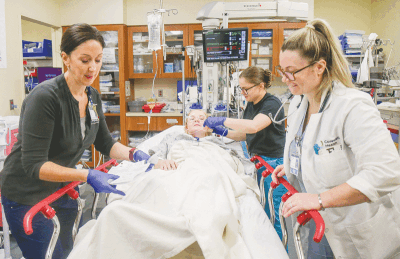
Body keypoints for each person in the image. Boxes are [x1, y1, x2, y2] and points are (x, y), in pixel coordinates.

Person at [67, 108, 288, 259]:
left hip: (208, 170)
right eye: (191, 118)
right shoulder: (175, 139)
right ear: (185, 127)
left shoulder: (219, 143)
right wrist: (160, 162)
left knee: (209, 178)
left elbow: (239, 166)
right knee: (145, 191)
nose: (196, 120)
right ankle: (147, 218)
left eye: (202, 118)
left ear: (211, 126)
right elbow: (155, 158)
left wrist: (224, 163)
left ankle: (198, 224)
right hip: (174, 171)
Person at [0, 23, 140, 259]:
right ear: (65, 58)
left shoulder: (91, 95)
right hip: (26, 195)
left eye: (98, 60)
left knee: (71, 252)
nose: (93, 68)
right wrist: (87, 175)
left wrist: (134, 154)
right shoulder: (45, 98)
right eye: (85, 60)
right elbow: (34, 165)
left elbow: (104, 142)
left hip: (61, 189)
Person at [271, 18, 400, 259]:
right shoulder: (301, 102)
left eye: (292, 72)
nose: (284, 79)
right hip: (322, 226)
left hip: (356, 232)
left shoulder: (353, 106)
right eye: (282, 70)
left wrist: (319, 199)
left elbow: (386, 172)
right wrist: (291, 167)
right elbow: (314, 149)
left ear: (319, 67)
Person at [202, 66, 287, 240]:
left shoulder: (272, 104)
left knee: (273, 215)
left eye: (246, 89)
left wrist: (224, 120)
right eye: (240, 88)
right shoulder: (251, 104)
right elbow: (247, 134)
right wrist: (223, 132)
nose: (242, 92)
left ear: (261, 86)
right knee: (262, 212)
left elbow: (254, 126)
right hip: (257, 162)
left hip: (272, 166)